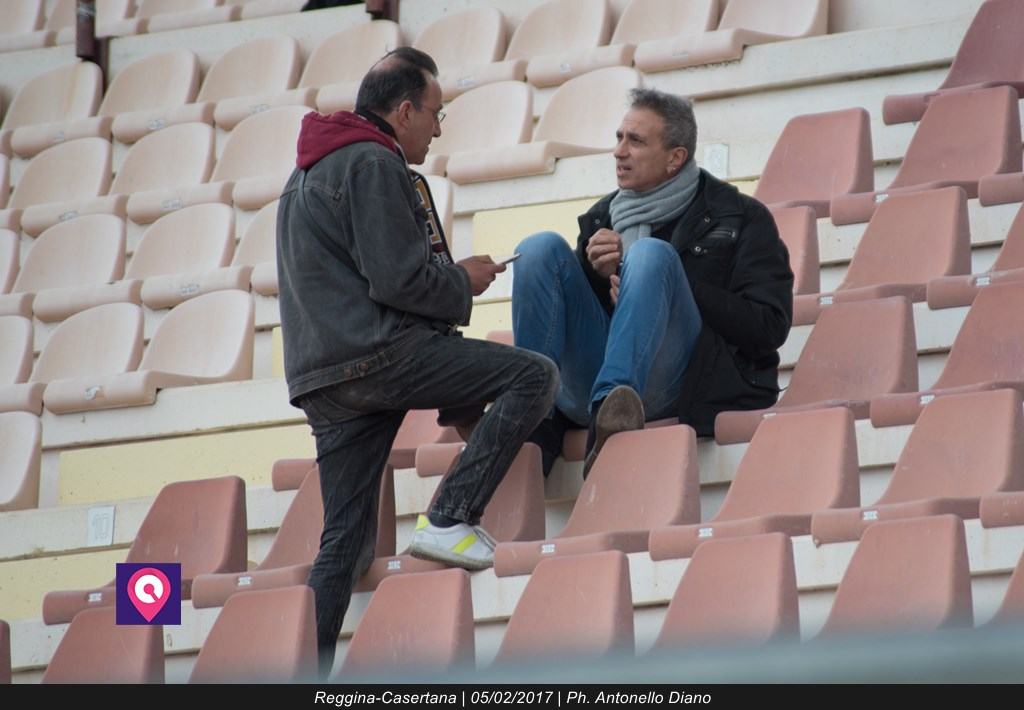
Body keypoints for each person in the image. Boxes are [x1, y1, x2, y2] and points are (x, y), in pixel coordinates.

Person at [276, 47, 558, 674]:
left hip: (321, 377)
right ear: (404, 111)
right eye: (435, 114)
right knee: (533, 374)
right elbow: (399, 281)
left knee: (344, 545)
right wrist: (464, 279)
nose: (437, 129)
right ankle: (451, 516)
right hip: (378, 357)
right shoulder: (374, 162)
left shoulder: (303, 175)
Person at [512, 88, 793, 477]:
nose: (619, 151)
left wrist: (674, 287)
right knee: (537, 249)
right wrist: (598, 277)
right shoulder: (602, 217)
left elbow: (769, 327)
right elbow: (584, 321)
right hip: (592, 385)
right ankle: (529, 415)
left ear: (675, 158)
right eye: (619, 138)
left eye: (636, 141)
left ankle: (614, 414)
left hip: (686, 386)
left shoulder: (740, 216)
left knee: (651, 255)